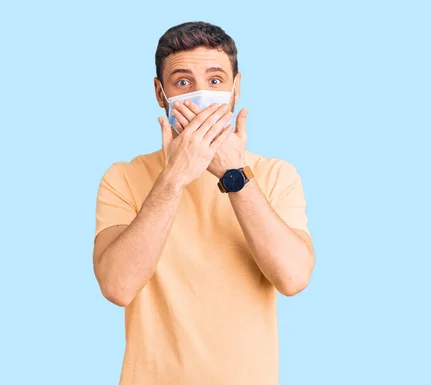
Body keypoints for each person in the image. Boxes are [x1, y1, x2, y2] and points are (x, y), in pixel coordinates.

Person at [92, 21, 315, 385]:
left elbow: (292, 278)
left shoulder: (276, 174)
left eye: (215, 81)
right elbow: (117, 287)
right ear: (160, 93)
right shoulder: (123, 178)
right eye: (183, 82)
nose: (200, 95)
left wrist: (234, 174)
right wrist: (174, 177)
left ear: (235, 89)